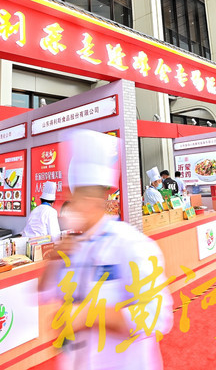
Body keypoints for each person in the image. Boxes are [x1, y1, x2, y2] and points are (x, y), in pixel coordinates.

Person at [39, 129, 173, 369]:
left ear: (94, 200)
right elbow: (43, 293)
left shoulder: (130, 244)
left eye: (76, 197)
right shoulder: (73, 247)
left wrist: (90, 314)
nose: (70, 206)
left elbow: (156, 316)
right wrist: (55, 259)